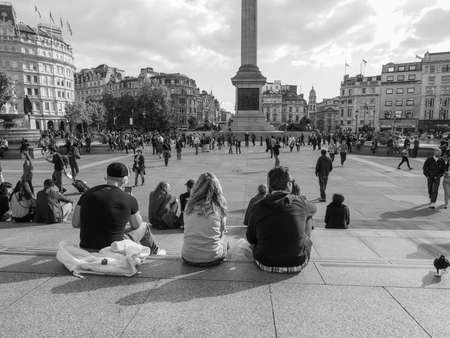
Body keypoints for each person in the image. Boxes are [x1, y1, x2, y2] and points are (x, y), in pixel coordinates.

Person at [72, 162, 163, 253]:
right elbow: (136, 225)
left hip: (87, 248)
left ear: (106, 177)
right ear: (125, 180)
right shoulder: (128, 198)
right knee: (144, 226)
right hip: (113, 249)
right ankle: (155, 252)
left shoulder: (87, 194)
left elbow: (75, 223)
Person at [247, 166, 317, 273]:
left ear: (270, 185)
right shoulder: (300, 202)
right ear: (289, 184)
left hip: (264, 262)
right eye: (292, 181)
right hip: (297, 262)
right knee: (308, 216)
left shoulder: (258, 206)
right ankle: (300, 243)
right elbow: (314, 209)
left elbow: (251, 238)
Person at [182, 172, 228, 267]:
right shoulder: (218, 206)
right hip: (212, 258)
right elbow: (221, 233)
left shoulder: (189, 205)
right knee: (226, 241)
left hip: (188, 256)